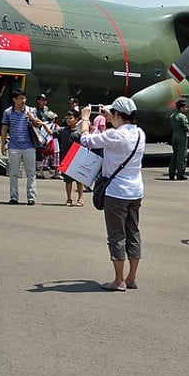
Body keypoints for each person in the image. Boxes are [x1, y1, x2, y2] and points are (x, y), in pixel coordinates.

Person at [79, 97, 146, 291]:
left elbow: (86, 140)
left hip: (117, 192)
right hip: (136, 190)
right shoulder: (140, 133)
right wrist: (111, 116)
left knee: (116, 235)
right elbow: (119, 126)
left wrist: (85, 119)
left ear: (117, 115)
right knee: (133, 232)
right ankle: (131, 277)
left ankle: (118, 280)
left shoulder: (113, 135)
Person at [0, 89, 43, 205]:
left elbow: (39, 124)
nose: (23, 101)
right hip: (14, 146)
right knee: (13, 173)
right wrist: (3, 144)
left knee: (31, 173)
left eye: (24, 98)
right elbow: (4, 128)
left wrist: (32, 118)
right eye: (20, 98)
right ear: (14, 100)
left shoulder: (31, 110)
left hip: (29, 146)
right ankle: (14, 197)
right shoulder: (8, 112)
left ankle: (31, 197)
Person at [56, 110, 85, 206]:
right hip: (66, 159)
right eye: (67, 118)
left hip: (77, 158)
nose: (68, 120)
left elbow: (84, 145)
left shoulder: (79, 132)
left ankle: (80, 199)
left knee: (79, 180)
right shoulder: (63, 130)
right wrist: (43, 124)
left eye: (71, 118)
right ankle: (69, 198)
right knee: (67, 181)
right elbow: (52, 133)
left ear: (76, 120)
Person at [168, 99, 189, 181]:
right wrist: (188, 130)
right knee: (182, 156)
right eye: (185, 107)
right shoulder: (182, 116)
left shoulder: (172, 116)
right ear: (181, 108)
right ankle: (180, 174)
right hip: (182, 137)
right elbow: (186, 127)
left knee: (175, 155)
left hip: (175, 136)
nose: (186, 109)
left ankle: (171, 174)